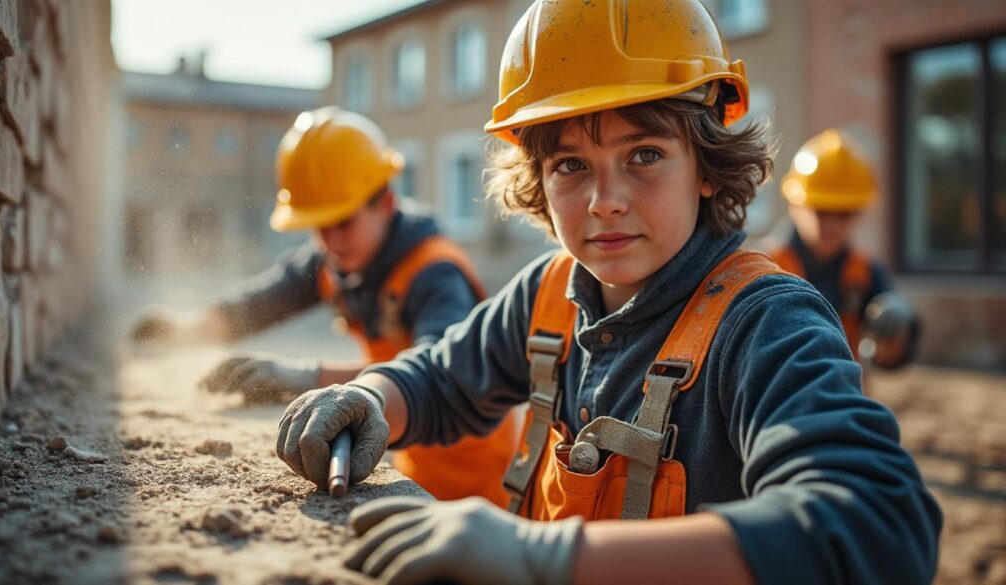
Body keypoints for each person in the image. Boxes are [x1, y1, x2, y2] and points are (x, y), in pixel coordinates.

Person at [276, 2, 942, 584]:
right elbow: (443, 379)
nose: (605, 202)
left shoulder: (768, 325)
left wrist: (544, 557)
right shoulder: (548, 292)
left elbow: (875, 525)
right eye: (570, 165)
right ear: (536, 178)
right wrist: (372, 398)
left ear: (707, 167)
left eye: (644, 154)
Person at [132, 106, 519, 506]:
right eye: (319, 224)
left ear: (385, 202)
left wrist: (307, 376)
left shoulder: (435, 273)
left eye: (343, 221)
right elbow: (262, 302)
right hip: (408, 452)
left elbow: (440, 369)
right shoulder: (337, 260)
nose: (330, 239)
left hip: (477, 479)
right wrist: (188, 329)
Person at [770, 128, 919, 369]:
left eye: (844, 213)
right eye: (821, 210)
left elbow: (890, 358)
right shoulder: (766, 267)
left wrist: (901, 324)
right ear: (795, 206)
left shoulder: (864, 272)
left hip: (843, 394)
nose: (831, 224)